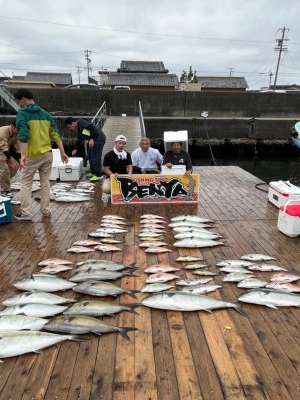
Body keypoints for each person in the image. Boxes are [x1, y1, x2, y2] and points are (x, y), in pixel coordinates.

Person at [13, 88, 68, 221]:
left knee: (26, 183)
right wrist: (63, 152)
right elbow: (56, 134)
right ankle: (46, 210)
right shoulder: (46, 114)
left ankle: (26, 213)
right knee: (45, 183)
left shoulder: (23, 113)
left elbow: (24, 135)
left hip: (31, 155)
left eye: (19, 101)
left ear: (24, 99)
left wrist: (23, 155)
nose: (19, 104)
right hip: (47, 154)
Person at [0, 121, 20, 197]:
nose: (19, 131)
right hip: (2, 149)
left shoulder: (15, 134)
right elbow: (3, 147)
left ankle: (3, 183)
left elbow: (17, 147)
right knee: (4, 169)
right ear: (12, 126)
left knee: (15, 166)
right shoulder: (3, 131)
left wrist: (20, 159)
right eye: (18, 129)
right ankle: (4, 191)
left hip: (5, 151)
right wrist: (10, 161)